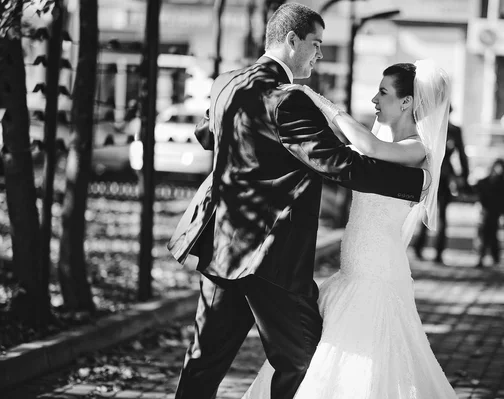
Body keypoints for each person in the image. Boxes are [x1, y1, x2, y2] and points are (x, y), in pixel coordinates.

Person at [167, 4, 426, 399]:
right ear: (292, 41)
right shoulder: (287, 99)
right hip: (272, 255)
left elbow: (209, 133)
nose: (320, 55)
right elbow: (338, 165)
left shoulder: (227, 82)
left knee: (203, 361)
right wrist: (416, 181)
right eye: (316, 44)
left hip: (222, 246)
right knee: (305, 361)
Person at [242, 61, 458, 398]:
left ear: (406, 103)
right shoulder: (379, 139)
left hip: (377, 277)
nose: (374, 99)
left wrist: (322, 103)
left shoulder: (417, 150)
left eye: (383, 92)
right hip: (348, 274)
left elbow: (370, 151)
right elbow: (342, 155)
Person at [413, 104, 469, 265]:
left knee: (440, 214)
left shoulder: (453, 130)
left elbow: (462, 155)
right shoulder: (430, 129)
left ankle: (438, 251)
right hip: (430, 174)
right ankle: (421, 247)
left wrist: (464, 177)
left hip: (443, 177)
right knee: (427, 211)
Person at [473, 159, 504, 268]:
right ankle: (483, 257)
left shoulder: (502, 185)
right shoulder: (485, 182)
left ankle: (493, 257)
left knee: (492, 236)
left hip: (494, 214)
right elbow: (477, 192)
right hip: (485, 214)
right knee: (484, 235)